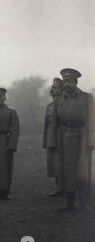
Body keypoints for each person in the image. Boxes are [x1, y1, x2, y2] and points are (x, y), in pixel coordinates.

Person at [49, 68, 94, 211]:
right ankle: (69, 202)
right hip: (64, 138)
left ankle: (83, 203)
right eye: (65, 82)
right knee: (66, 170)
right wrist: (52, 142)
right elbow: (53, 123)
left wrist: (91, 140)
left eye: (70, 81)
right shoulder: (59, 100)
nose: (67, 85)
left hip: (81, 137)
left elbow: (93, 120)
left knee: (82, 171)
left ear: (76, 82)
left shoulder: (87, 98)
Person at [43, 78, 65, 197]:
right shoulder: (49, 106)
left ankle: (67, 188)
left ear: (62, 89)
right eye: (51, 87)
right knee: (54, 163)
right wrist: (46, 141)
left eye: (55, 88)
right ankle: (59, 188)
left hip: (63, 136)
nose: (51, 90)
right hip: (52, 138)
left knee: (64, 163)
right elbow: (46, 125)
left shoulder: (65, 103)